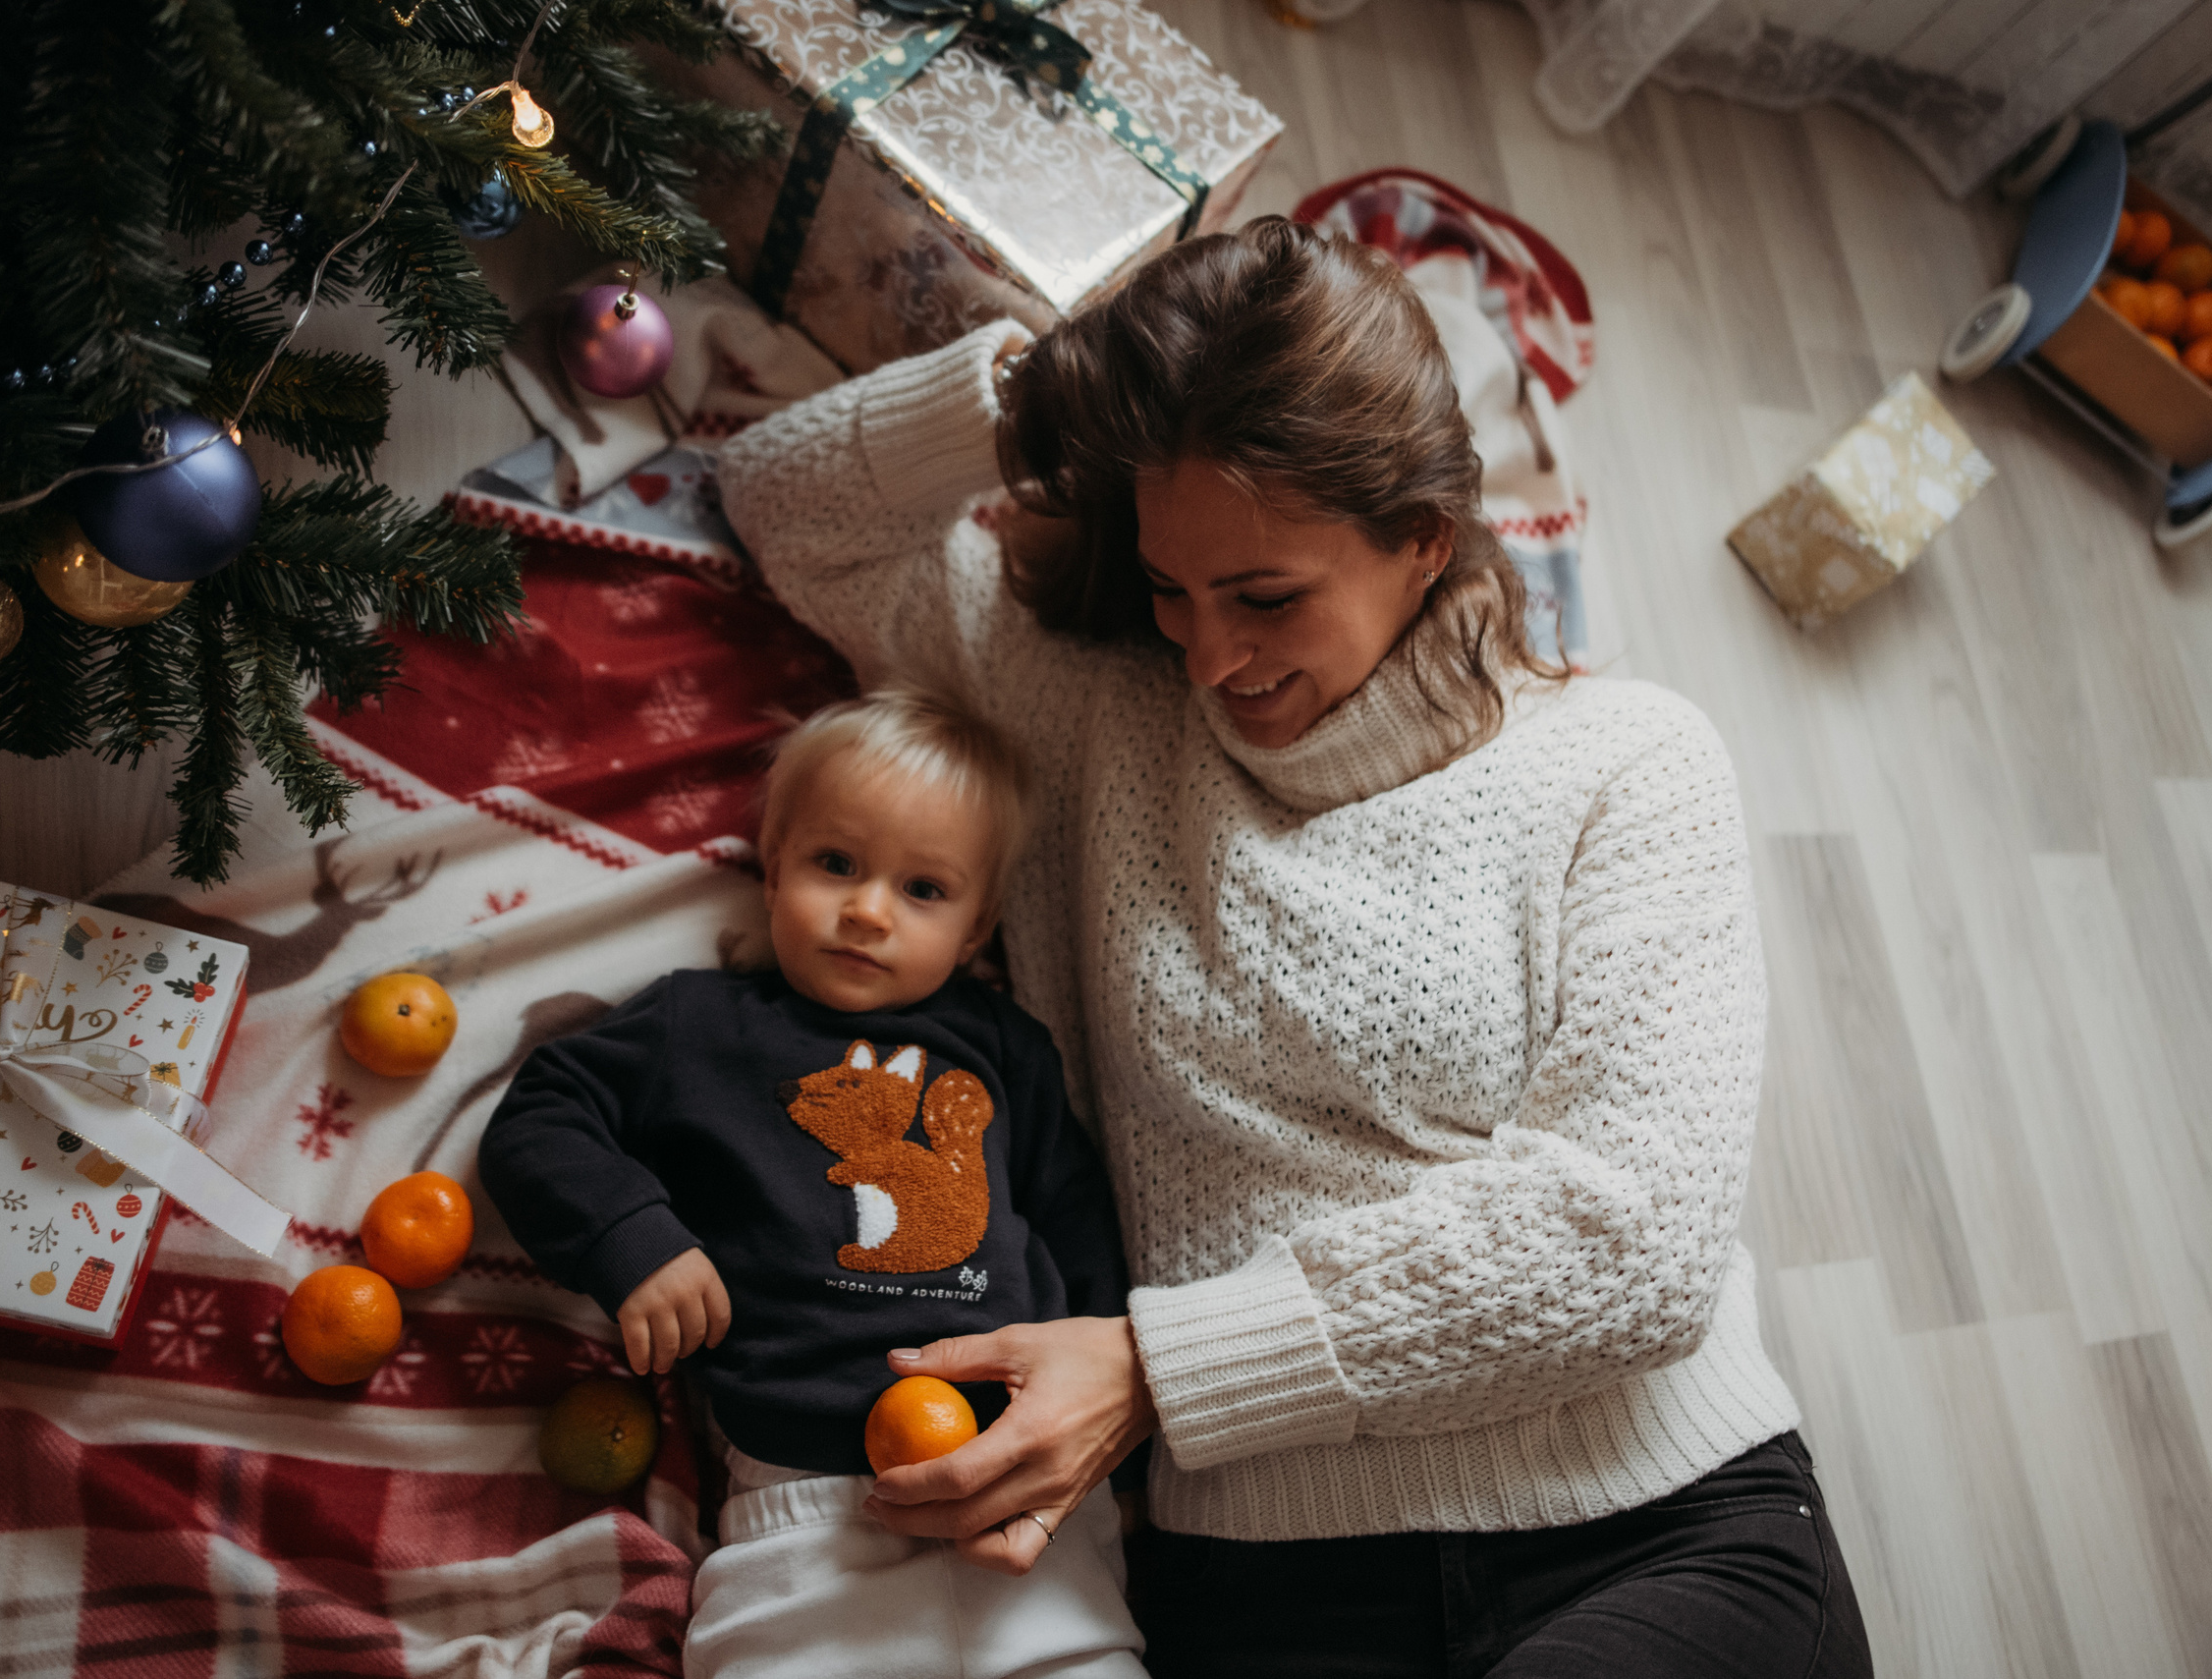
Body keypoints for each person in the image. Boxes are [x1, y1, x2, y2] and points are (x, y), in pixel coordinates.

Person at [716, 217, 1873, 1676]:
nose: (1211, 655)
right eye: (1170, 588)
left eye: (1267, 596)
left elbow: (1634, 1243)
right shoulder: (1089, 713)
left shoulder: (1629, 760)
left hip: (1648, 1525)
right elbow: (785, 505)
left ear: (1422, 537)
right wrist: (1044, 396)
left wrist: (1158, 1365)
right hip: (1264, 1588)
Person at [478, 690, 1147, 1679]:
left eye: (923, 889)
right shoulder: (695, 1024)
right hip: (802, 1512)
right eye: (836, 863)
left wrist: (1109, 1446)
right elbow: (541, 1113)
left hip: (1023, 1502)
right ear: (773, 862)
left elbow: (1080, 1231)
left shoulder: (1006, 1049)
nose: (868, 909)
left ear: (976, 928)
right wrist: (636, 1238)